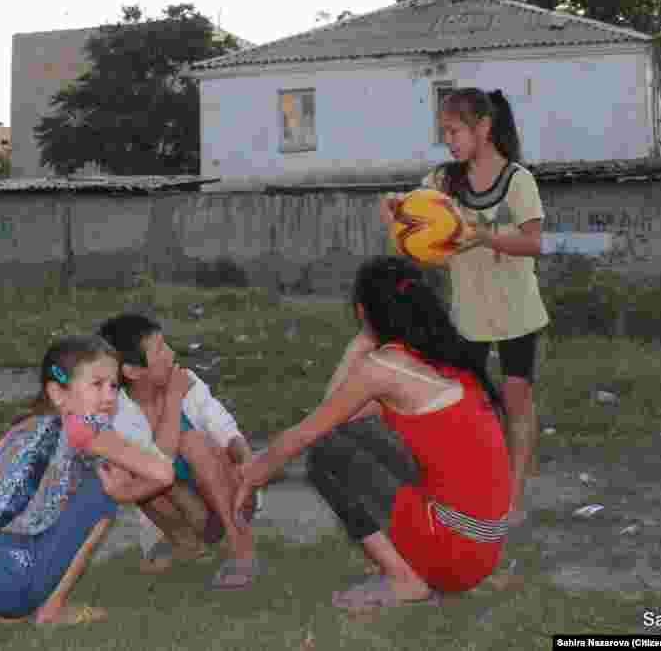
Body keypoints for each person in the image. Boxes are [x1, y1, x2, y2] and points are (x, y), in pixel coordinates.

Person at [233, 256, 512, 611]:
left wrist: (250, 478)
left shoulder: (384, 368)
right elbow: (340, 417)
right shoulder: (442, 356)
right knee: (349, 439)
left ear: (363, 312)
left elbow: (310, 432)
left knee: (327, 452)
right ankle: (408, 561)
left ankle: (405, 579)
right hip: (480, 551)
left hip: (455, 554)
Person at [379, 87, 548, 525]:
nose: (448, 141)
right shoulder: (443, 180)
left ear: (483, 127)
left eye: (454, 131)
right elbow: (414, 219)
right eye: (444, 132)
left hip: (517, 311)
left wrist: (486, 237)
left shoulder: (517, 180)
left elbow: (533, 242)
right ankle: (471, 486)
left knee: (516, 399)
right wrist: (395, 214)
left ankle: (513, 497)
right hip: (469, 315)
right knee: (469, 405)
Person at [0, 335, 176, 625]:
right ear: (58, 393)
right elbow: (163, 473)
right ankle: (52, 610)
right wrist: (124, 494)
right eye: (97, 384)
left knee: (94, 482)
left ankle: (17, 606)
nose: (109, 396)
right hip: (5, 580)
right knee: (101, 493)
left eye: (114, 386)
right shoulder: (83, 427)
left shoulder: (31, 425)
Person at [97, 313, 261, 589]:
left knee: (192, 441)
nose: (171, 354)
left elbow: (228, 432)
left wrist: (247, 464)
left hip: (232, 497)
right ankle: (187, 544)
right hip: (188, 512)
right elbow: (158, 466)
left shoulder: (188, 382)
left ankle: (240, 546)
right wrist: (173, 401)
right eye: (160, 350)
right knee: (141, 474)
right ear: (133, 372)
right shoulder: (118, 413)